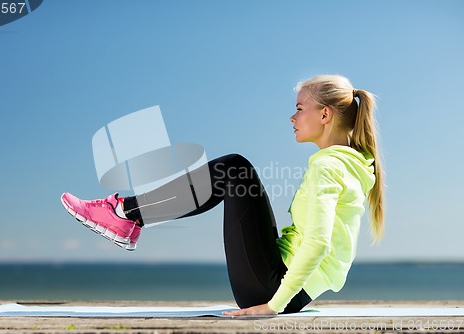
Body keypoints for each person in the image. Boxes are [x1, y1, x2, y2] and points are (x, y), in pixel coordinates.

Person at [61, 74, 384, 316]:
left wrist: (273, 306)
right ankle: (126, 215)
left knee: (233, 168)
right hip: (290, 286)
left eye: (300, 108)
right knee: (234, 169)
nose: (293, 117)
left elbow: (318, 243)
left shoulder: (328, 167)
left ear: (325, 115)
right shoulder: (353, 164)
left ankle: (123, 214)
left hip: (275, 289)